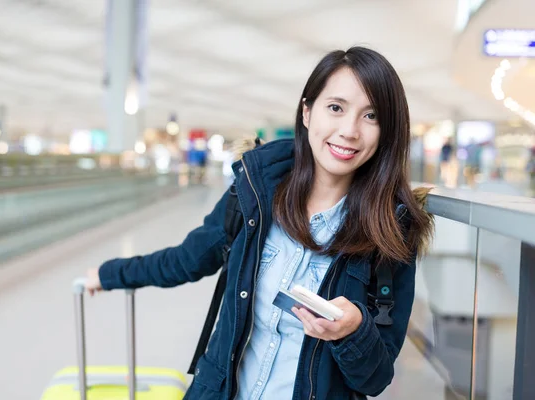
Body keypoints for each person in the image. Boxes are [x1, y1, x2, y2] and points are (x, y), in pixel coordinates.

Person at [84, 47, 434, 400]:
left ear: (386, 132)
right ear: (308, 112)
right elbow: (186, 260)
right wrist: (110, 273)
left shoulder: (391, 231)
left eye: (370, 116)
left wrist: (354, 330)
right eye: (336, 108)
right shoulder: (256, 190)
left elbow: (375, 379)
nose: (349, 131)